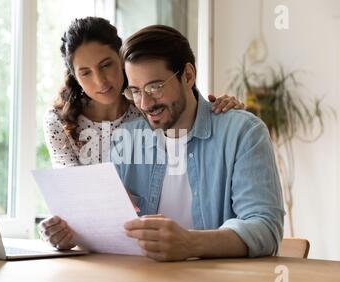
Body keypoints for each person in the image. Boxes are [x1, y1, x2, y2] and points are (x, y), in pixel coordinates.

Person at [40, 17, 247, 249]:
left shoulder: (145, 110)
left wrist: (222, 111)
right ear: (75, 77)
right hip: (107, 241)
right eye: (85, 72)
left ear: (122, 60)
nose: (100, 81)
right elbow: (71, 201)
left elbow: (187, 106)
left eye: (106, 65)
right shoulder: (61, 121)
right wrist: (65, 228)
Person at [114, 25, 285, 261]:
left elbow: (266, 230)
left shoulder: (243, 133)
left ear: (188, 75)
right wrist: (70, 233)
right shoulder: (126, 141)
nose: (145, 103)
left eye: (155, 87)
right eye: (135, 91)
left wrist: (190, 243)